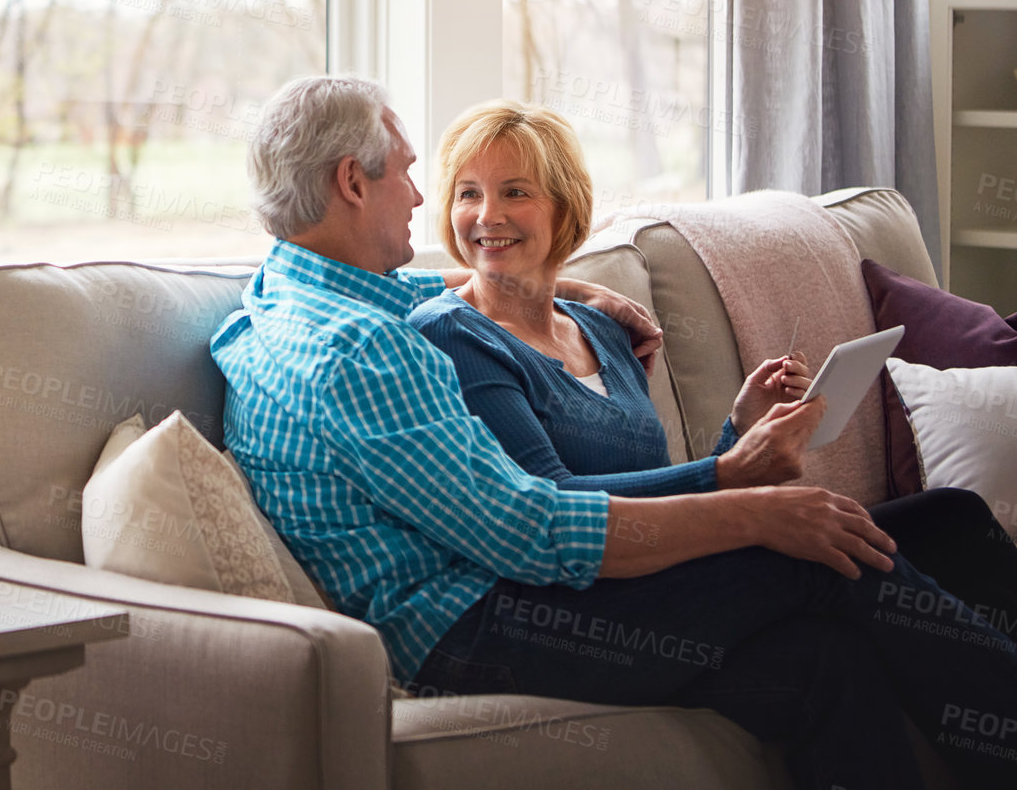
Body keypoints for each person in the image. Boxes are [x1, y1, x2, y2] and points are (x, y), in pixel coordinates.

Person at [212, 74, 1017, 790]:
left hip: (486, 595)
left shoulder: (276, 300)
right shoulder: (366, 350)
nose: (421, 200)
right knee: (823, 559)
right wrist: (752, 505)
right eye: (416, 175)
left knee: (819, 663)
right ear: (353, 182)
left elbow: (434, 290)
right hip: (474, 620)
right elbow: (528, 527)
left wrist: (573, 294)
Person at [409, 99, 1017, 633]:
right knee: (841, 571)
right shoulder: (455, 334)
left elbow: (657, 483)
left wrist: (741, 427)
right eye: (469, 193)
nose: (487, 214)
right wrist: (730, 473)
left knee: (950, 515)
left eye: (515, 191)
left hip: (680, 553)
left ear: (565, 207)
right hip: (597, 591)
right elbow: (552, 498)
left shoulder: (601, 327)